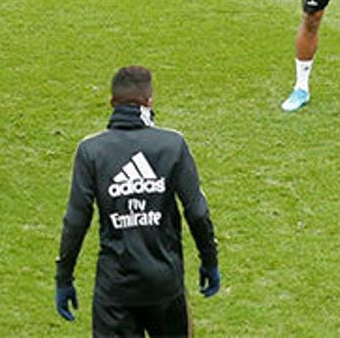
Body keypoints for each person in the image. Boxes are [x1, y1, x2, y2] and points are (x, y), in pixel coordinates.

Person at [54, 66, 220, 336]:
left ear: (112, 104)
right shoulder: (172, 145)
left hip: (115, 290)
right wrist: (209, 261)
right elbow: (197, 212)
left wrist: (64, 278)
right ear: (149, 102)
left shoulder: (91, 151)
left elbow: (76, 221)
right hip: (165, 285)